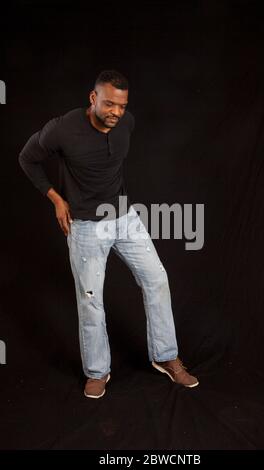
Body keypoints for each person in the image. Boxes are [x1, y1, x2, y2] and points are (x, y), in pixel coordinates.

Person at [18, 69, 199, 398]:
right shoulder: (62, 129)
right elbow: (27, 158)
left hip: (125, 218)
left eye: (123, 105)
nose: (117, 112)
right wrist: (57, 199)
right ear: (93, 98)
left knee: (156, 279)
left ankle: (166, 357)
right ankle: (97, 372)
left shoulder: (126, 124)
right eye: (110, 104)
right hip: (86, 226)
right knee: (91, 302)